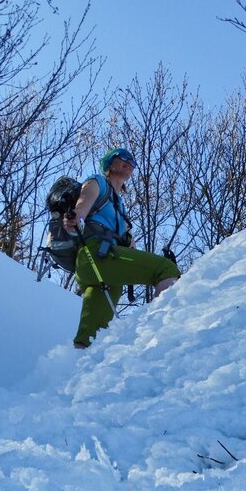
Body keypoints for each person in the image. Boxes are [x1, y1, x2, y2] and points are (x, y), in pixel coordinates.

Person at [64, 147, 180, 349]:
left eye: (133, 162)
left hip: (105, 270)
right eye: (123, 157)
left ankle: (78, 370)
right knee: (165, 269)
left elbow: (132, 251)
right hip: (96, 254)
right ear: (110, 163)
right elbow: (82, 205)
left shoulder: (121, 209)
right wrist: (75, 217)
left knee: (93, 337)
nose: (129, 162)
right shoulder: (97, 182)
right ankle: (161, 336)